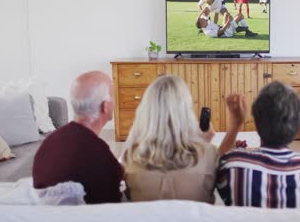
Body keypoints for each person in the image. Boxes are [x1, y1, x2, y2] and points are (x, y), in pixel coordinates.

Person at [121, 75, 246, 203]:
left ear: (146, 110)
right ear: (186, 110)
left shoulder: (130, 156)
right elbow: (219, 164)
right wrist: (235, 124)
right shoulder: (208, 154)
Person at [217, 81, 300, 208]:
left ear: (256, 120)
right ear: (298, 124)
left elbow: (214, 168)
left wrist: (236, 123)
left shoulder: (233, 167)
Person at [33, 71, 123, 204]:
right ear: (105, 106)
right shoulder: (98, 154)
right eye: (113, 95)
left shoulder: (50, 142)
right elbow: (113, 207)